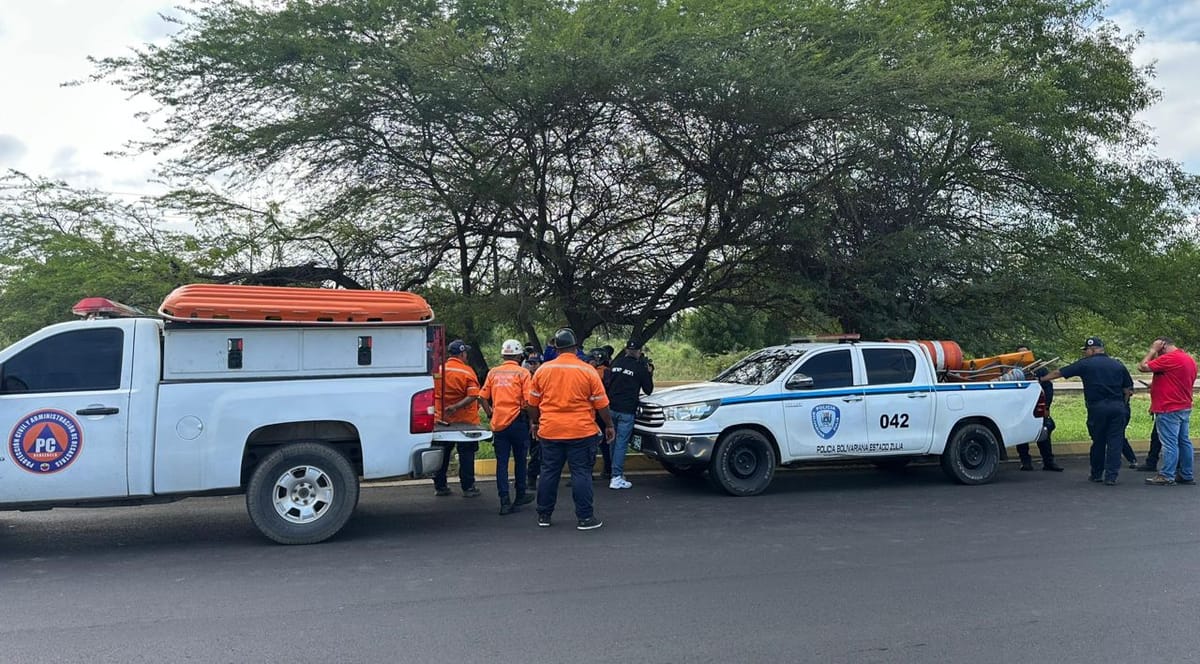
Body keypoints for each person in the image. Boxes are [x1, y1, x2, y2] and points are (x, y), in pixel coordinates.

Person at [526, 328, 615, 531]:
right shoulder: (587, 371)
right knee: (581, 473)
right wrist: (609, 425)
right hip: (581, 431)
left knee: (549, 472)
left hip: (550, 431)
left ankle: (544, 516)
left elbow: (531, 403)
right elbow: (601, 404)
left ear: (556, 349)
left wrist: (535, 422)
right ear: (575, 348)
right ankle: (585, 518)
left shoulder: (543, 370)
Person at [1040, 337, 1133, 486]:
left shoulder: (1085, 364)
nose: (1085, 353)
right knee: (1115, 441)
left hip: (1097, 408)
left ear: (1092, 349)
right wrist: (1123, 405)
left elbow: (1060, 373)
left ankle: (1096, 474)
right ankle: (1111, 476)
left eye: (1086, 351)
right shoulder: (1118, 365)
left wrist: (1042, 379)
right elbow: (1127, 389)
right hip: (1117, 407)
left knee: (1098, 441)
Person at [480, 339, 536, 514]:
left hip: (499, 423)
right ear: (519, 356)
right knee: (520, 460)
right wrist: (534, 420)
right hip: (517, 421)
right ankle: (520, 495)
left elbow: (481, 396)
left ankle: (504, 500)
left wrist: (490, 413)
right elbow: (529, 401)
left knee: (501, 463)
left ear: (503, 354)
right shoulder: (523, 373)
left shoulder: (493, 373)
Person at [1137, 337, 1197, 486]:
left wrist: (1152, 350)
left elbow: (1143, 367)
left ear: (1162, 347)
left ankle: (1167, 475)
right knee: (1184, 442)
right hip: (1184, 405)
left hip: (1168, 407)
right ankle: (1186, 473)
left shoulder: (1169, 358)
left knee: (1170, 443)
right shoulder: (1187, 359)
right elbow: (1177, 379)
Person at [433, 339, 483, 497]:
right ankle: (468, 488)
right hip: (465, 421)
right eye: (466, 353)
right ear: (462, 354)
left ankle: (440, 487)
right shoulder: (467, 371)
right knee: (466, 454)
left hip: (442, 419)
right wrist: (456, 407)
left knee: (442, 453)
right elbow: (473, 395)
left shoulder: (438, 370)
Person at [606, 339, 655, 489]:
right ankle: (616, 476)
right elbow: (648, 390)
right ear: (639, 352)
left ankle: (613, 472)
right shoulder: (640, 367)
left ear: (626, 350)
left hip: (611, 408)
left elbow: (607, 383)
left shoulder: (616, 363)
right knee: (621, 443)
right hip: (627, 410)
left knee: (613, 442)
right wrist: (650, 373)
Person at [1013, 345, 1063, 472]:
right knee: (1021, 436)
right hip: (1020, 409)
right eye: (1021, 354)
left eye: (1026, 353)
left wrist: (1046, 406)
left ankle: (1049, 462)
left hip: (1038, 407)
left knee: (1044, 434)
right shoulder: (1014, 372)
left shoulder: (1040, 370)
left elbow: (1048, 389)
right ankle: (1025, 462)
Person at [589, 347, 614, 479]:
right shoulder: (608, 372)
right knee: (605, 442)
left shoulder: (588, 372)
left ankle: (589, 471)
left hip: (591, 412)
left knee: (590, 443)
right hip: (603, 410)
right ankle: (608, 469)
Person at [522, 351, 545, 486]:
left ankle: (535, 478)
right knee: (533, 449)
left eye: (535, 363)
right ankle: (530, 478)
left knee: (540, 450)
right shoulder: (526, 378)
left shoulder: (544, 377)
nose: (532, 366)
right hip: (530, 417)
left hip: (543, 416)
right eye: (530, 363)